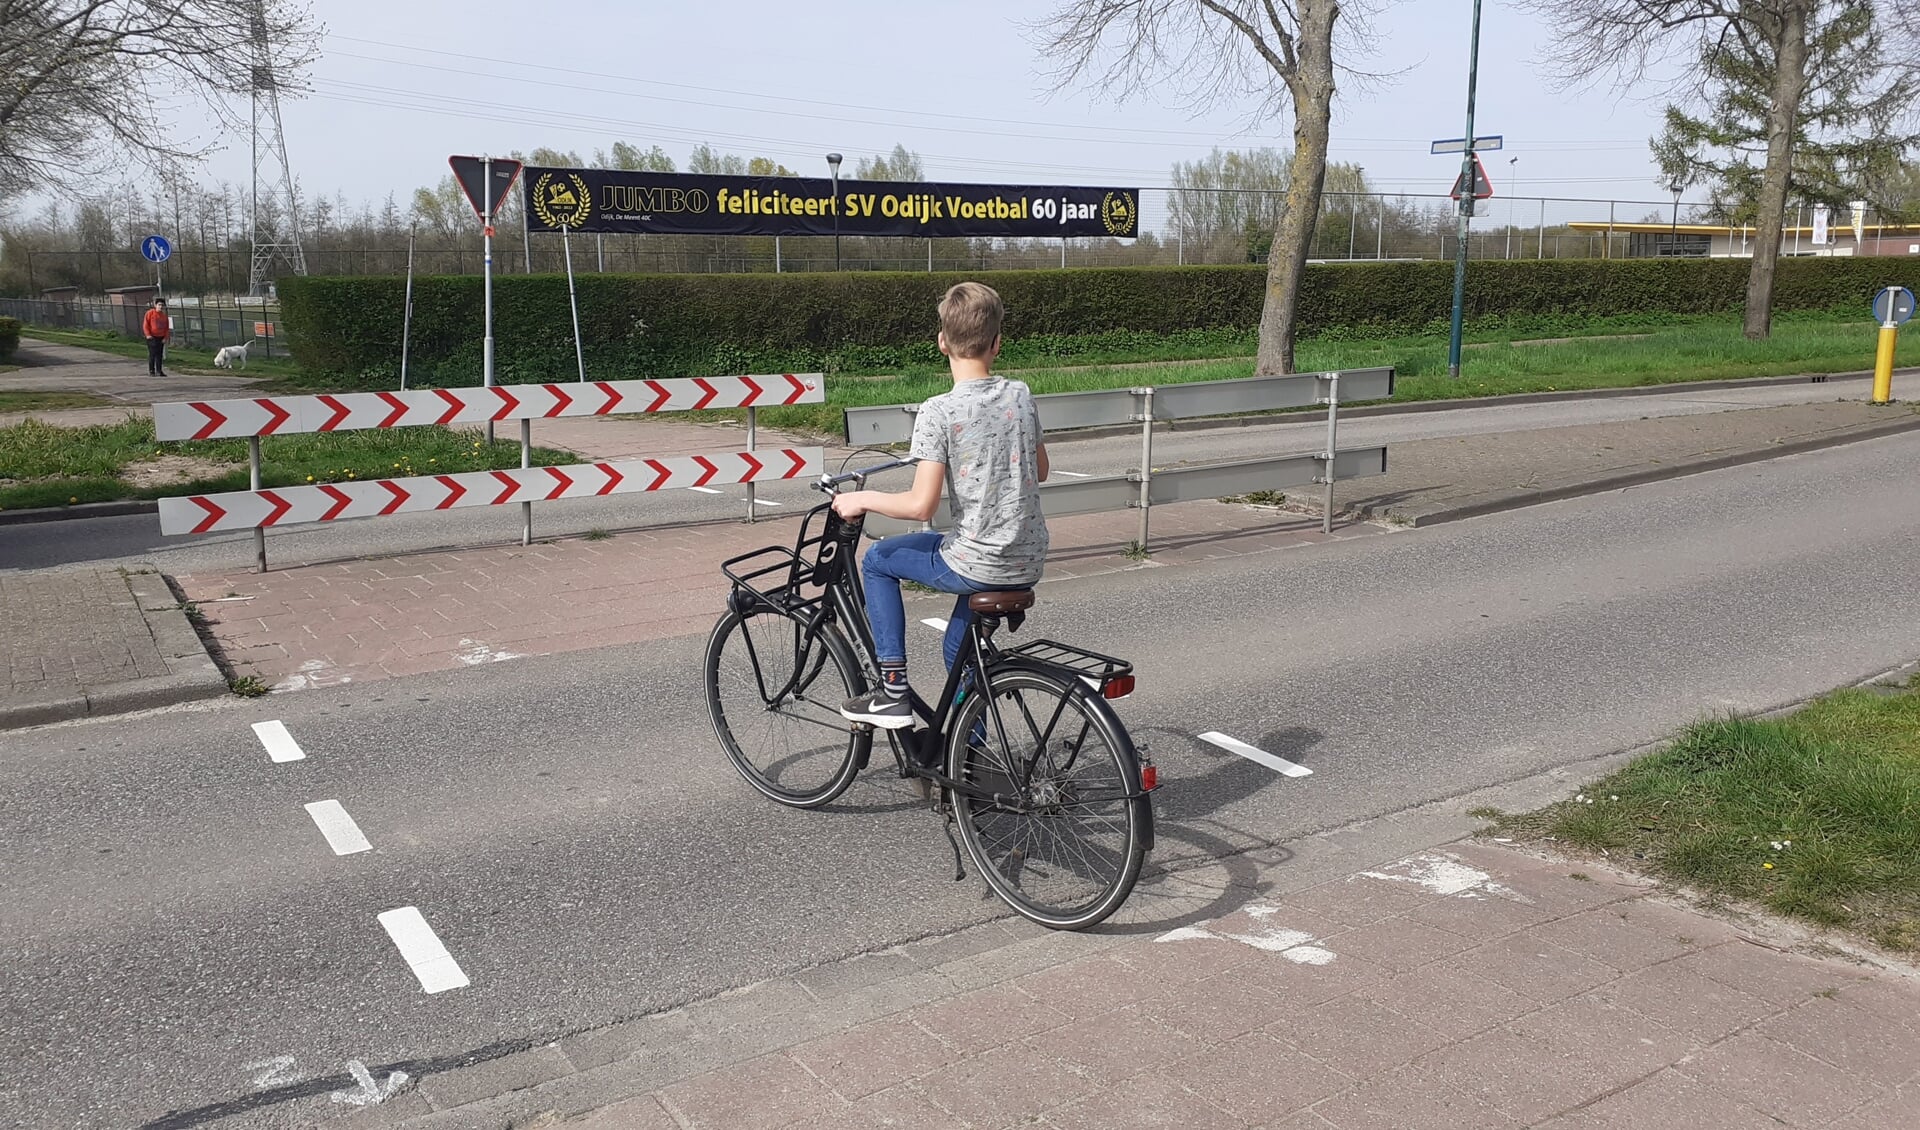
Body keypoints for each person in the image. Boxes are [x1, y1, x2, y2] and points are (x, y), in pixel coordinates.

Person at [833, 282, 1049, 732]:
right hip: (1027, 559)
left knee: (876, 561)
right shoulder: (1020, 394)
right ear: (997, 343)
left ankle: (892, 691)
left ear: (942, 342)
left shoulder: (938, 411)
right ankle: (971, 758)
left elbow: (920, 504)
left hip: (977, 561)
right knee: (957, 650)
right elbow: (1040, 470)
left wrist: (861, 498)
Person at [142, 297, 171, 376]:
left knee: (159, 355)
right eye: (159, 305)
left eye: (162, 305)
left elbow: (167, 328)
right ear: (155, 305)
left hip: (160, 337)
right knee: (152, 354)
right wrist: (148, 335)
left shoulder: (164, 317)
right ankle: (152, 371)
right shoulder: (150, 313)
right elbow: (145, 325)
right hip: (152, 337)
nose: (160, 307)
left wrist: (165, 338)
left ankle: (159, 370)